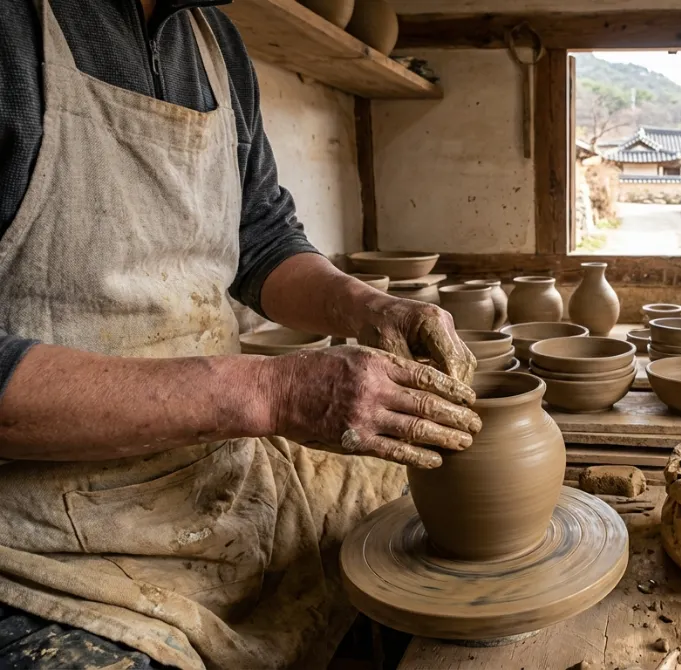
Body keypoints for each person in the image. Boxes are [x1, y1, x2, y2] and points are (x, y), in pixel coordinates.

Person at [0, 1, 478, 667]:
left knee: (412, 507)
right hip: (42, 530)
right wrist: (273, 394)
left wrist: (369, 307)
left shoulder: (213, 39)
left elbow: (262, 239)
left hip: (216, 461)